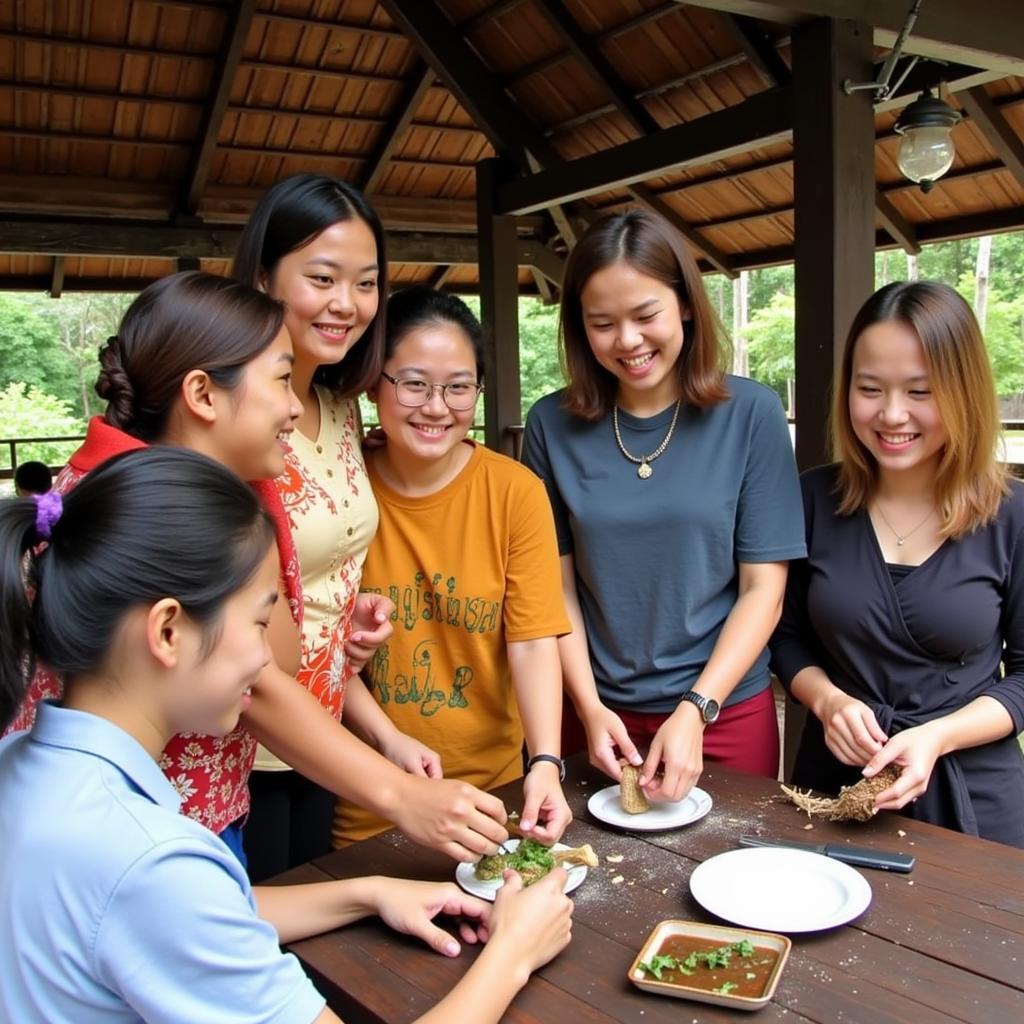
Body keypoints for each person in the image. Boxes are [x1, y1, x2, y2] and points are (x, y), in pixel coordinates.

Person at [0, 447, 574, 1024]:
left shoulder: (22, 766)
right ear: (168, 631)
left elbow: (209, 912)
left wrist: (366, 892)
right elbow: (170, 899)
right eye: (260, 622)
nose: (270, 657)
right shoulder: (152, 862)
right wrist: (511, 955)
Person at [4, 271, 510, 868]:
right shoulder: (158, 511)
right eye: (280, 380)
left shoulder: (184, 485)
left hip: (200, 810)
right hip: (159, 832)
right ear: (203, 394)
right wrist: (403, 797)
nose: (297, 407)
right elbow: (261, 683)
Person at [232, 175, 509, 878]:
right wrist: (398, 788)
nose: (345, 304)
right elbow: (238, 633)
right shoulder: (233, 419)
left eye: (365, 283)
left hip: (327, 730)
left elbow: (312, 582)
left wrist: (346, 623)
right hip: (244, 744)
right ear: (263, 275)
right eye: (321, 277)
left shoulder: (342, 410)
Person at [522, 210, 805, 804]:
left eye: (645, 315)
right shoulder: (550, 424)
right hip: (594, 715)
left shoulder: (751, 415)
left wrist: (696, 709)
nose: (627, 341)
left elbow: (764, 590)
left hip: (722, 712)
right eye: (603, 323)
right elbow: (557, 590)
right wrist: (588, 705)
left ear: (683, 305)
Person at [770, 281, 1024, 847]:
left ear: (963, 392)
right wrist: (828, 700)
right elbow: (785, 640)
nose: (891, 414)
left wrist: (939, 736)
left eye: (920, 391)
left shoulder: (1012, 516)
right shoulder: (813, 499)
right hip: (835, 787)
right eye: (869, 389)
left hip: (974, 801)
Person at [335, 287, 572, 846]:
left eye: (459, 387)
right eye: (414, 383)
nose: (437, 407)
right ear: (375, 383)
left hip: (497, 799)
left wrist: (545, 761)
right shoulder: (341, 491)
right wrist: (388, 742)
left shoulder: (515, 492)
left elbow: (534, 640)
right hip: (370, 797)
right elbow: (320, 651)